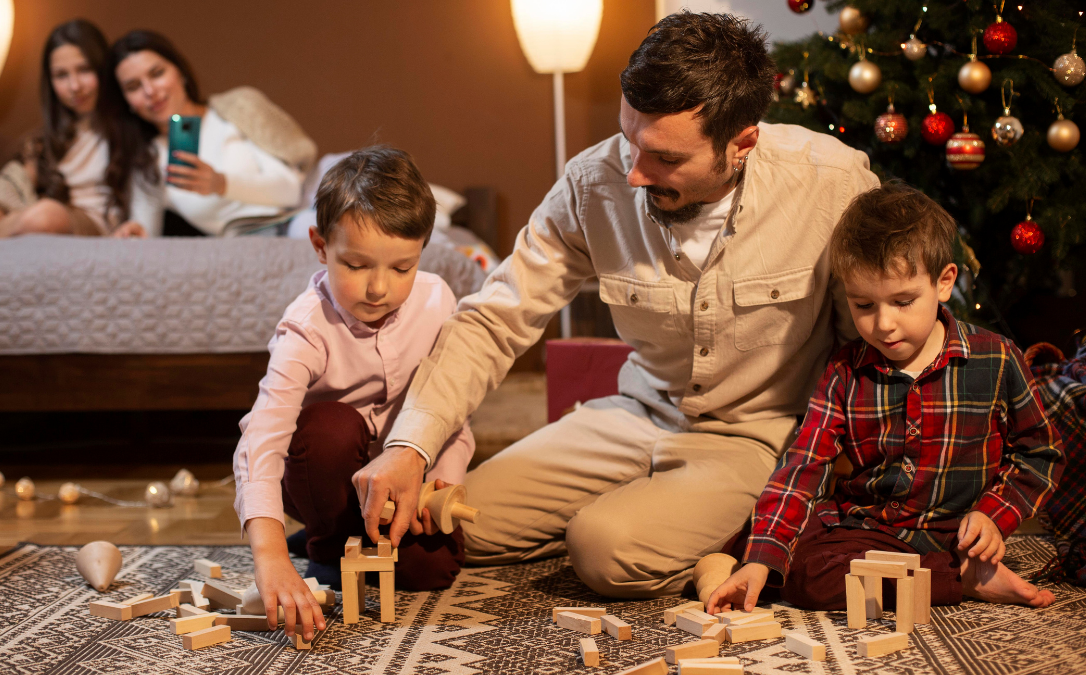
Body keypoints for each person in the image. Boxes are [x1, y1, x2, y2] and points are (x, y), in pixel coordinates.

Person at [353, 11, 881, 599]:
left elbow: (868, 342)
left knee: (602, 550)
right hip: (635, 415)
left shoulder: (831, 182)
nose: (632, 173)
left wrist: (840, 466)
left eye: (665, 158)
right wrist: (409, 446)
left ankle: (727, 532)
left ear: (742, 142)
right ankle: (656, 517)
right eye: (628, 139)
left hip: (759, 438)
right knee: (453, 525)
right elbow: (495, 318)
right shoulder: (591, 182)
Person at [707, 182, 1065, 614]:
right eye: (863, 305)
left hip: (959, 532)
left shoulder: (997, 357)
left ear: (945, 281)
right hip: (870, 528)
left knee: (803, 576)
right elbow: (804, 463)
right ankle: (958, 580)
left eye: (902, 302)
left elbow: (1039, 453)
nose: (884, 325)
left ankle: (956, 570)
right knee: (775, 558)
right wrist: (764, 555)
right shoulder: (845, 370)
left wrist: (995, 514)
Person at [233, 147, 475, 641]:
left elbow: (453, 413)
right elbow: (263, 437)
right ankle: (323, 540)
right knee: (330, 425)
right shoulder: (305, 328)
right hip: (318, 471)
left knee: (432, 572)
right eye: (356, 264)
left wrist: (442, 484)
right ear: (320, 246)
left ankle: (337, 539)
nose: (378, 289)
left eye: (402, 268)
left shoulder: (438, 299)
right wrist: (271, 556)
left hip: (401, 479)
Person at [101, 30, 315, 237]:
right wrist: (133, 234)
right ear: (126, 101)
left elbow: (291, 190)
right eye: (133, 86)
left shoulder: (233, 113)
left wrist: (220, 183)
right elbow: (146, 235)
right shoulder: (148, 160)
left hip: (296, 222)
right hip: (241, 246)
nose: (150, 91)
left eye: (157, 74)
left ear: (180, 72)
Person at [0, 19, 145, 241]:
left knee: (46, 214)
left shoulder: (130, 127)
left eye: (84, 69)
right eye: (61, 75)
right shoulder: (45, 140)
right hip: (34, 217)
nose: (75, 86)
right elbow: (10, 189)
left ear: (102, 69)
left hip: (96, 229)